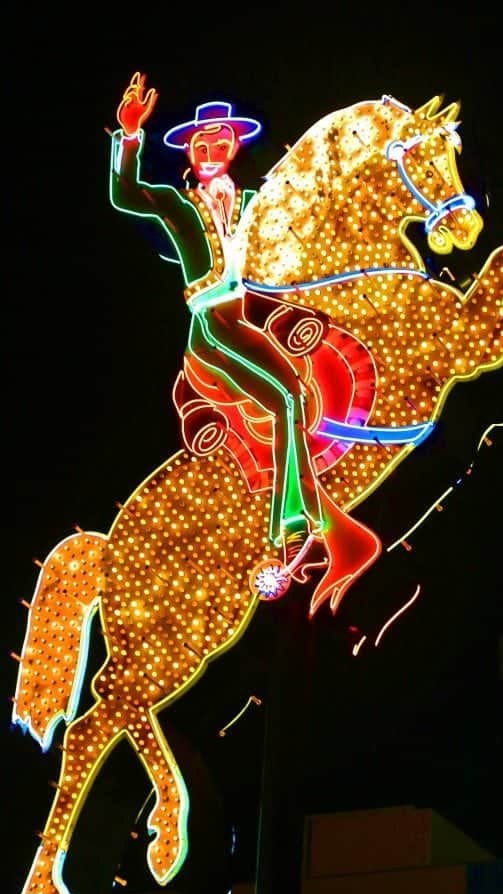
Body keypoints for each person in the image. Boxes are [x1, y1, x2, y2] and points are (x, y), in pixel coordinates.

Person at [110, 73, 380, 612]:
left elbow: (305, 226)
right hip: (210, 328)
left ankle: (313, 516)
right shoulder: (177, 206)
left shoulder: (257, 203)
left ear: (235, 146)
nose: (211, 151)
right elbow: (124, 194)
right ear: (189, 150)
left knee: (296, 393)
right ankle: (292, 524)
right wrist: (130, 138)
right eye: (201, 143)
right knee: (284, 396)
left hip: (247, 319)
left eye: (221, 142)